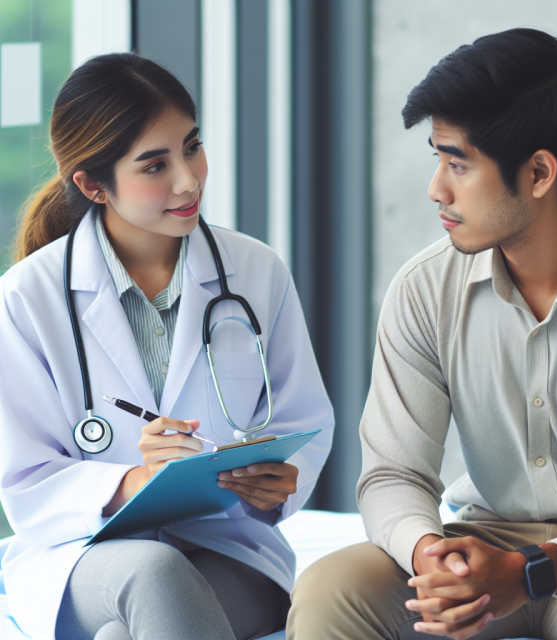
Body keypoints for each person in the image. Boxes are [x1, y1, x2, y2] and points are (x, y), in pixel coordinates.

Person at [287, 27, 557, 640]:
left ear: (537, 173)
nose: (436, 190)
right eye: (437, 159)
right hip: (480, 539)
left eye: (458, 163)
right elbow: (393, 474)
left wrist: (534, 571)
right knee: (329, 591)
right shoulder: (425, 290)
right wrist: (429, 552)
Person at [0, 53, 333, 640]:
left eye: (192, 146)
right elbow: (25, 481)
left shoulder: (256, 272)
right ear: (92, 184)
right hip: (83, 556)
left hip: (229, 545)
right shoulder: (26, 298)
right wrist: (133, 481)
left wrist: (281, 479)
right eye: (154, 165)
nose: (189, 179)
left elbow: (304, 416)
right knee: (153, 573)